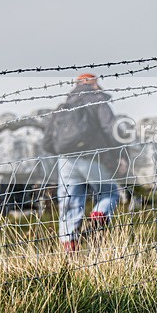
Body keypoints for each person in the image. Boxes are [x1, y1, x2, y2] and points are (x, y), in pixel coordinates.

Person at [43, 73, 127, 253]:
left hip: (65, 161)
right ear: (94, 84)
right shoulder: (97, 100)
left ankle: (69, 245)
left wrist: (64, 151)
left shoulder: (63, 107)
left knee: (69, 201)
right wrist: (120, 156)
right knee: (109, 193)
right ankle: (99, 216)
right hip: (93, 157)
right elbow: (111, 129)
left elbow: (47, 143)